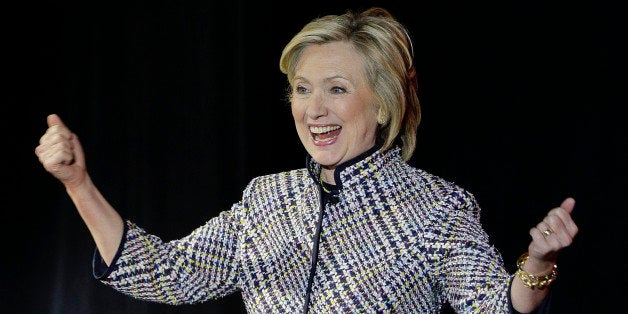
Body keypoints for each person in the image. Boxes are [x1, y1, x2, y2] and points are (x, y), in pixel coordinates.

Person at [35, 7, 578, 314]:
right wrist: (78, 184)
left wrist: (536, 264)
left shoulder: (436, 207)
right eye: (301, 89)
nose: (314, 109)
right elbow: (167, 275)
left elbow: (496, 307)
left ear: (384, 103)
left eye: (337, 89)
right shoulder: (266, 200)